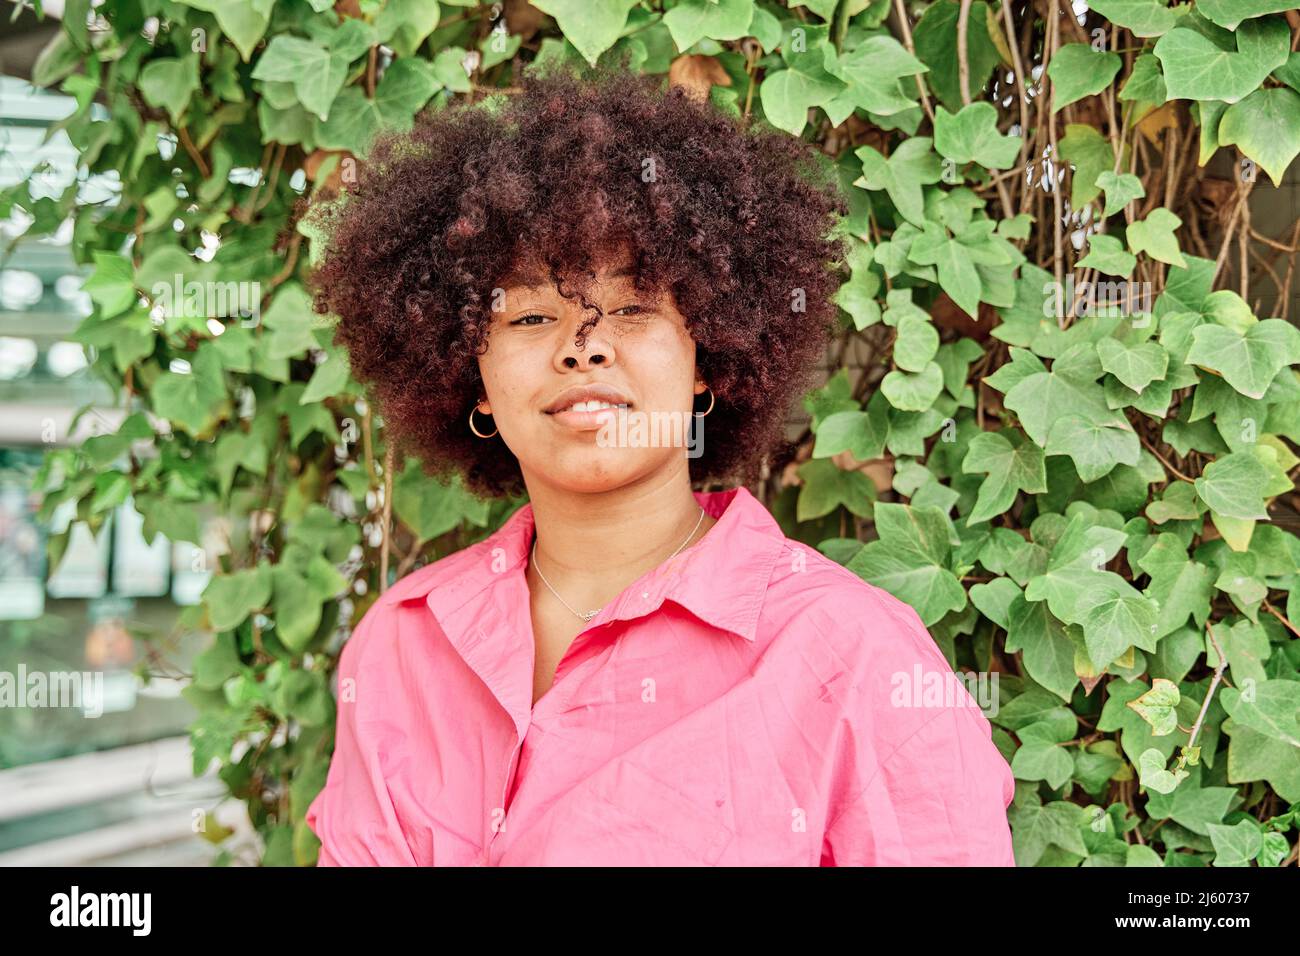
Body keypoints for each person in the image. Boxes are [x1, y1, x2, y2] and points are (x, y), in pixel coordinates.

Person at [301, 62, 1015, 866]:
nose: (584, 348)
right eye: (532, 314)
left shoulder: (851, 654)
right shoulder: (401, 645)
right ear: (475, 379)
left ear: (708, 358)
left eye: (633, 308)